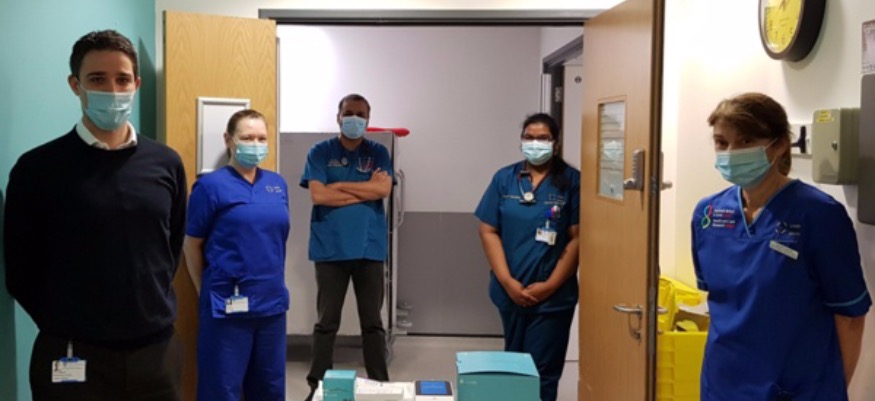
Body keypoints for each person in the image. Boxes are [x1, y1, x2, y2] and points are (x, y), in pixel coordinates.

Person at [3, 30, 186, 401]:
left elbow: (171, 247)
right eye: (98, 79)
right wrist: (66, 323)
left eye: (122, 79)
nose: (113, 90)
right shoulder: (37, 169)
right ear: (76, 85)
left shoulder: (166, 164)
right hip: (71, 354)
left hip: (156, 355)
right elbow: (21, 269)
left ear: (136, 84)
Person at [691, 92, 870, 400]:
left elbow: (850, 317)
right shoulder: (708, 215)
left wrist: (831, 391)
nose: (731, 153)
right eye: (721, 142)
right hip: (722, 385)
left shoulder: (819, 215)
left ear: (780, 145)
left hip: (794, 390)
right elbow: (723, 306)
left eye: (746, 141)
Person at [183, 109, 290, 401]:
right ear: (228, 140)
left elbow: (276, 240)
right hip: (226, 305)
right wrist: (205, 291)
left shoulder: (277, 184)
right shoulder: (210, 186)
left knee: (270, 387)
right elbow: (191, 244)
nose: (256, 144)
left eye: (262, 138)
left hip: (271, 304)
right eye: (247, 137)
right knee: (222, 388)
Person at [475, 113, 580, 401]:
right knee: (514, 366)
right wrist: (507, 281)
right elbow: (488, 230)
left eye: (543, 138)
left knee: (541, 371)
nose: (535, 143)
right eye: (529, 137)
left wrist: (550, 285)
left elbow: (577, 238)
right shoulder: (505, 179)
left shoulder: (571, 182)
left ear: (555, 142)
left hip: (552, 297)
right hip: (510, 291)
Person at [301, 93, 393, 398]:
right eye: (349, 113)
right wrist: (365, 190)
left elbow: (383, 190)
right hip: (331, 249)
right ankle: (317, 387)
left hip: (369, 249)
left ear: (368, 118)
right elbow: (319, 195)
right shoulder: (320, 152)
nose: (355, 118)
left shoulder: (378, 152)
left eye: (361, 114)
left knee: (373, 324)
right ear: (338, 117)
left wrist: (338, 186)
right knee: (327, 323)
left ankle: (380, 386)